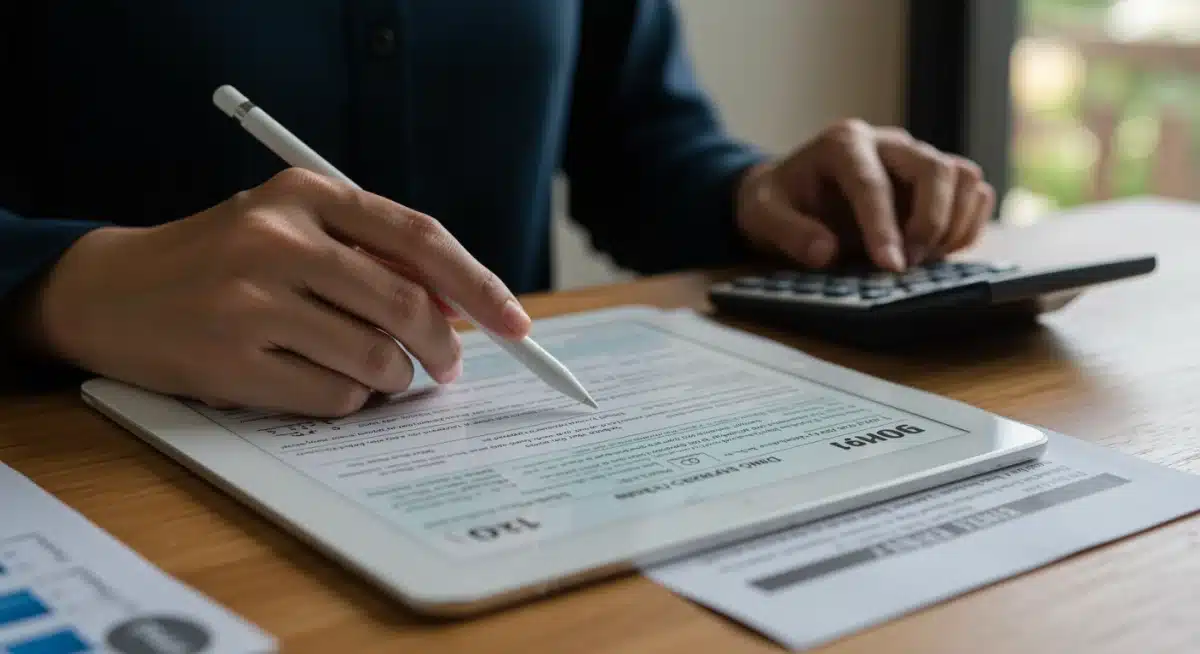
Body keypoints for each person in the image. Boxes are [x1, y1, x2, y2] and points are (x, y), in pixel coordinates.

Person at [0, 2, 993, 416]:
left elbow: (637, 144)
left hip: (493, 478)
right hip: (98, 476)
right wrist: (57, 284)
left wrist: (759, 197)